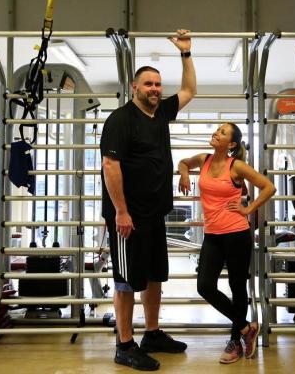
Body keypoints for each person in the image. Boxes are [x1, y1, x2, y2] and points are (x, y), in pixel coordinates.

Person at [100, 29, 197, 371]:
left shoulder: (160, 114)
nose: (155, 89)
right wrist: (121, 212)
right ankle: (125, 345)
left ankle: (152, 333)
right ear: (134, 89)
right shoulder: (121, 120)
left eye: (158, 84)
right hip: (129, 219)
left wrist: (185, 54)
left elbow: (189, 90)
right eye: (148, 84)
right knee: (127, 281)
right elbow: (110, 165)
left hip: (155, 215)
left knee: (154, 275)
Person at [178, 123, 276, 364]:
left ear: (231, 144)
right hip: (212, 235)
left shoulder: (237, 166)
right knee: (205, 286)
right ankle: (246, 328)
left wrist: (248, 209)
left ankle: (235, 341)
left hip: (236, 233)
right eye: (217, 130)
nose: (216, 133)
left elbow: (268, 187)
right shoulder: (204, 159)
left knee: (237, 287)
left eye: (222, 132)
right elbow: (183, 162)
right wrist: (184, 174)